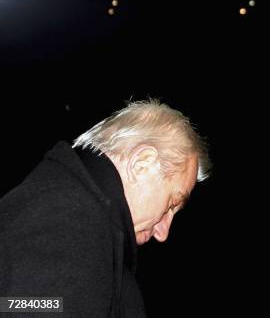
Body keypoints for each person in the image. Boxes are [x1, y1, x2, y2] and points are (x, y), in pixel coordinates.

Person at [0, 99, 211, 317]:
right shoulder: (70, 217)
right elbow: (20, 305)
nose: (163, 232)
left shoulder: (80, 217)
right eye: (171, 205)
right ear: (143, 164)